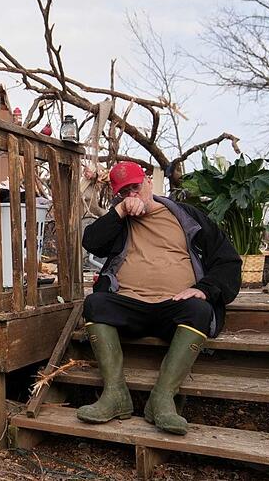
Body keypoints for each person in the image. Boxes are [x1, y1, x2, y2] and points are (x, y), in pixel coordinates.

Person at [76, 161, 241, 435]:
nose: (132, 196)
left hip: (174, 307)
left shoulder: (188, 218)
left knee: (200, 310)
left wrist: (205, 288)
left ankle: (162, 398)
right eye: (124, 192)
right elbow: (91, 242)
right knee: (95, 304)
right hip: (130, 305)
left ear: (149, 182)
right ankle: (115, 394)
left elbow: (228, 261)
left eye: (136, 187)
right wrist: (118, 212)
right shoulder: (120, 221)